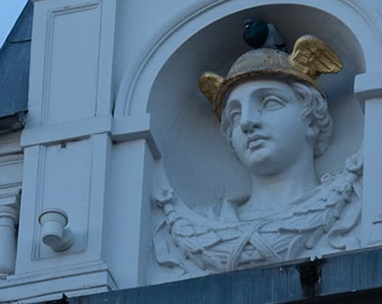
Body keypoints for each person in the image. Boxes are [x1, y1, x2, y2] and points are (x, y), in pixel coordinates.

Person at [154, 31, 363, 272]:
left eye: (269, 102)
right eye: (234, 114)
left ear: (312, 121)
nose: (246, 122)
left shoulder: (350, 201)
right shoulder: (208, 221)